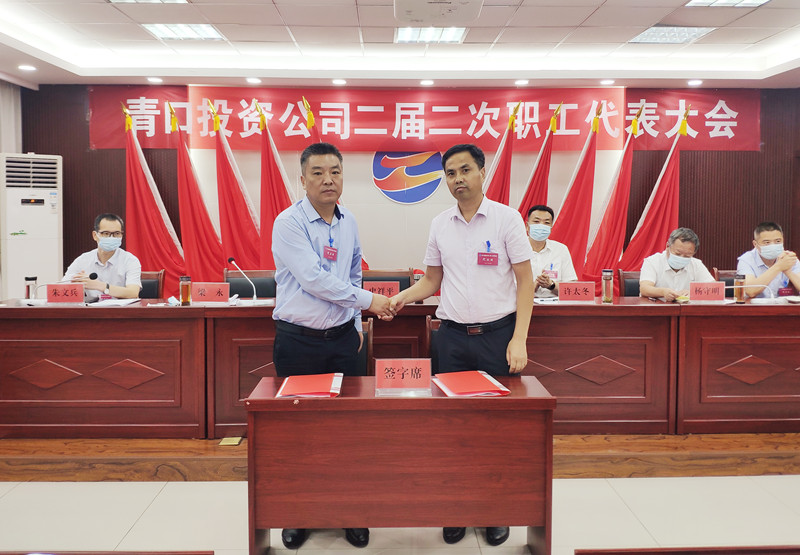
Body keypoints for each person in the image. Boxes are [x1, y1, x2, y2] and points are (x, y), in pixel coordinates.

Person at [388, 143, 534, 547]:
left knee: (493, 429)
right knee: (452, 429)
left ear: (482, 172)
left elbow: (525, 282)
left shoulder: (507, 219)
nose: (458, 179)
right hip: (451, 339)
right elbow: (431, 281)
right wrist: (401, 298)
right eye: (450, 173)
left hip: (498, 337)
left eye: (465, 170)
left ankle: (493, 510)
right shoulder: (440, 224)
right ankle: (455, 508)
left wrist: (519, 338)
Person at [271, 142, 392, 550]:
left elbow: (354, 272)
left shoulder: (349, 220)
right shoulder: (288, 223)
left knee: (349, 433)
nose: (328, 180)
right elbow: (313, 279)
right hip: (299, 343)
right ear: (303, 179)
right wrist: (370, 303)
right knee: (300, 435)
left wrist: (356, 324)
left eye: (335, 172)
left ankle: (351, 511)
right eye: (318, 172)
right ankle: (299, 514)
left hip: (343, 342)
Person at [63, 213, 141, 300]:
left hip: (122, 308)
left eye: (116, 233)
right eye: (106, 233)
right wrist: (76, 283)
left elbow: (133, 293)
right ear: (95, 235)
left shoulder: (130, 260)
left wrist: (99, 285)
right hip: (91, 307)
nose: (112, 237)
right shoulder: (83, 260)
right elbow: (62, 287)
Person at [639, 227, 714, 301]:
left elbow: (714, 288)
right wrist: (663, 292)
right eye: (678, 254)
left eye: (687, 256)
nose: (681, 258)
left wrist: (694, 292)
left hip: (686, 307)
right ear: (667, 246)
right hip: (657, 307)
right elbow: (644, 288)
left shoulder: (696, 264)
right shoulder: (652, 261)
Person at [737, 221, 800, 299]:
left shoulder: (788, 258)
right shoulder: (746, 260)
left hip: (782, 305)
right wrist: (778, 267)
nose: (773, 245)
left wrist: (788, 271)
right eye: (767, 242)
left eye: (778, 241)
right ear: (755, 244)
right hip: (754, 306)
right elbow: (750, 291)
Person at [526, 204, 578, 297]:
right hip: (521, 304)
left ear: (551, 227)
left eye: (546, 223)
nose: (541, 226)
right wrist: (531, 289)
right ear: (527, 226)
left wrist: (551, 285)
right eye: (536, 221)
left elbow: (572, 289)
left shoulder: (561, 249)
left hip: (553, 304)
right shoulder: (515, 249)